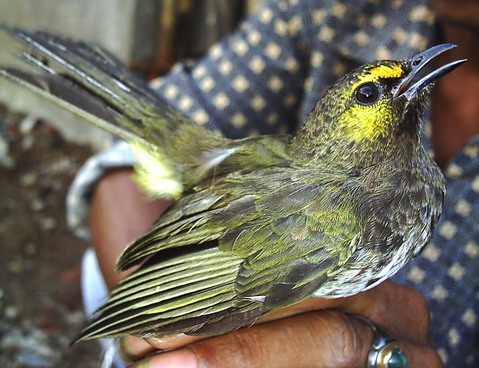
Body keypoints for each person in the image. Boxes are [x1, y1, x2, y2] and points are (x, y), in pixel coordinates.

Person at [67, 0, 479, 367]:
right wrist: (157, 336)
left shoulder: (403, 187)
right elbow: (195, 279)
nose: (404, 81)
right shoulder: (334, 216)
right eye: (371, 93)